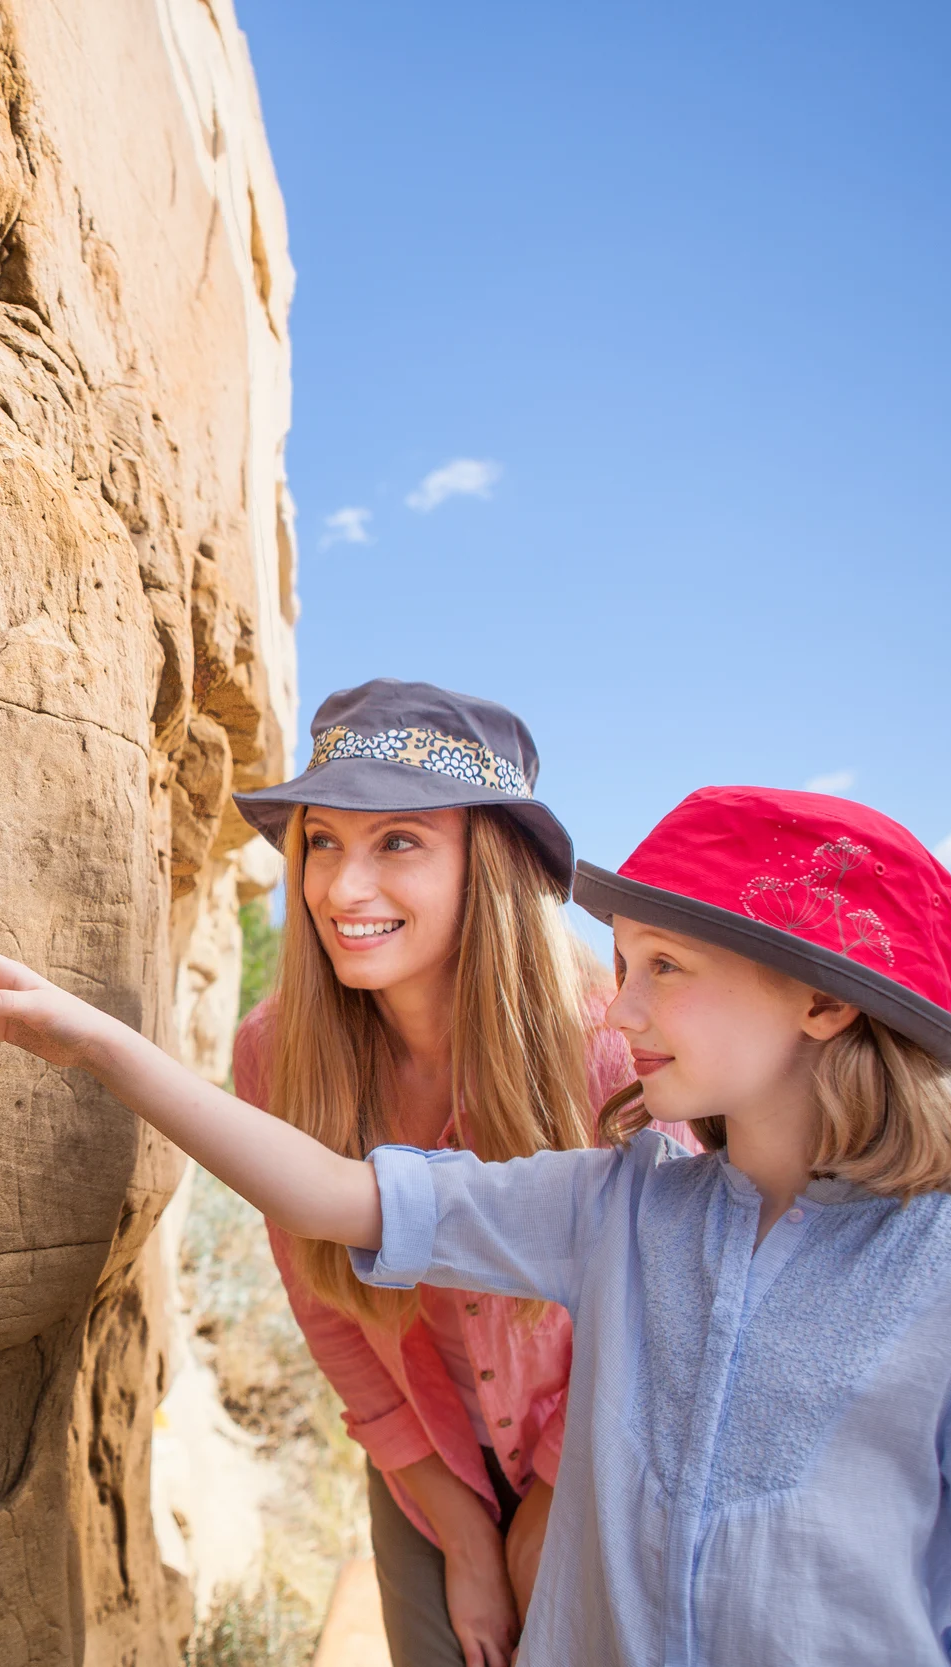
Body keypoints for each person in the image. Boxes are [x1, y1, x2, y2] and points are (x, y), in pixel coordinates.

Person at [0, 785, 951, 1666]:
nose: (625, 1006)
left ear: (823, 1000)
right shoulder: (617, 1206)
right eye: (624, 963)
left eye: (667, 968)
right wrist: (95, 1040)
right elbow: (330, 1194)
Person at [225, 679, 671, 1666]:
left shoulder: (612, 1050)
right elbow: (324, 1306)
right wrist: (464, 1532)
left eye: (398, 841)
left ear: (489, 862)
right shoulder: (274, 1053)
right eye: (323, 841)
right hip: (424, 1469)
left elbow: (659, 1311)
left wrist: (547, 1501)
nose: (343, 888)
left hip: (610, 1452)